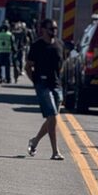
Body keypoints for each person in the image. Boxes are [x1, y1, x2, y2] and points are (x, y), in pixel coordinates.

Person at [26, 18, 65, 161]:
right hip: (42, 85)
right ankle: (55, 152)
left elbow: (61, 65)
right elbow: (28, 66)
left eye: (55, 28)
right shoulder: (37, 46)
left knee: (51, 118)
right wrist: (36, 82)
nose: (53, 31)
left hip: (56, 85)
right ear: (43, 29)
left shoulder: (60, 44)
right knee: (53, 116)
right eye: (51, 28)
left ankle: (35, 141)